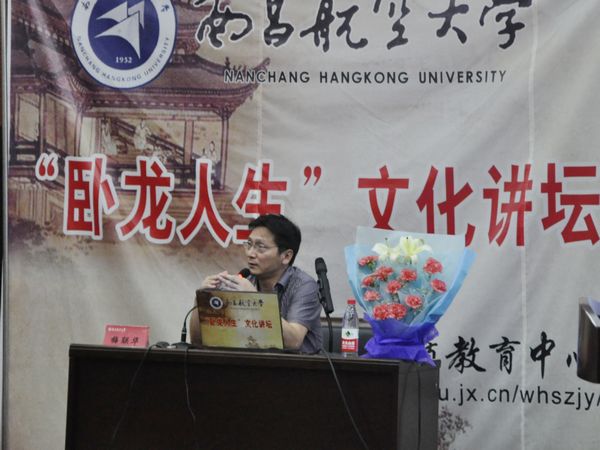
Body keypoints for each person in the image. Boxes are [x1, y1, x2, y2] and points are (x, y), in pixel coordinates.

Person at [192, 214, 323, 353]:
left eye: (260, 247)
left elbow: (293, 341)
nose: (250, 253)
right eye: (249, 244)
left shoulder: (304, 286)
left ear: (286, 256)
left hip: (298, 365)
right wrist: (201, 300)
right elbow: (198, 341)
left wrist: (254, 299)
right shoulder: (245, 281)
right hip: (253, 363)